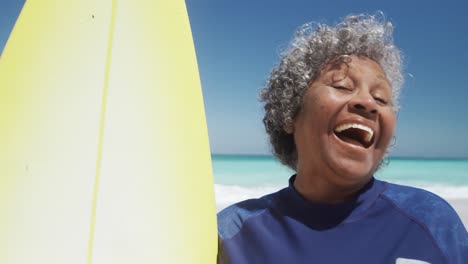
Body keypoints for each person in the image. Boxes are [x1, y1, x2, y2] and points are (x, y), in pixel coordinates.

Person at [217, 13, 468, 264]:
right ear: (290, 113)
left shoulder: (430, 221)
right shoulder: (232, 235)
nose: (368, 103)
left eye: (381, 99)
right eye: (342, 86)